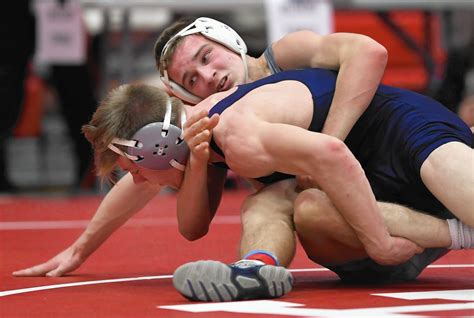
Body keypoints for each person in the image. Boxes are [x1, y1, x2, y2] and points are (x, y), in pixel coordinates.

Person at [12, 17, 391, 277]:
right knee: (270, 204)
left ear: (227, 39)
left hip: (390, 174)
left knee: (294, 202)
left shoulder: (286, 55)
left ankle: (448, 232)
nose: (210, 77)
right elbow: (143, 179)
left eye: (207, 58)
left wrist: (329, 144)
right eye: (193, 79)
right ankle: (257, 270)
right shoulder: (214, 123)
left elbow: (369, 53)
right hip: (347, 223)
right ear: (184, 95)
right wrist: (81, 249)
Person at [74, 69, 472, 302]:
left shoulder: (235, 133)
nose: (139, 180)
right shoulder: (201, 143)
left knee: (307, 195)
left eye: (136, 168)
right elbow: (190, 226)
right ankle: (255, 270)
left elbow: (331, 154)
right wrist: (79, 250)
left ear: (158, 147)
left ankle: (461, 231)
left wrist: (381, 244)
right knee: (283, 205)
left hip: (416, 142)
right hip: (375, 182)